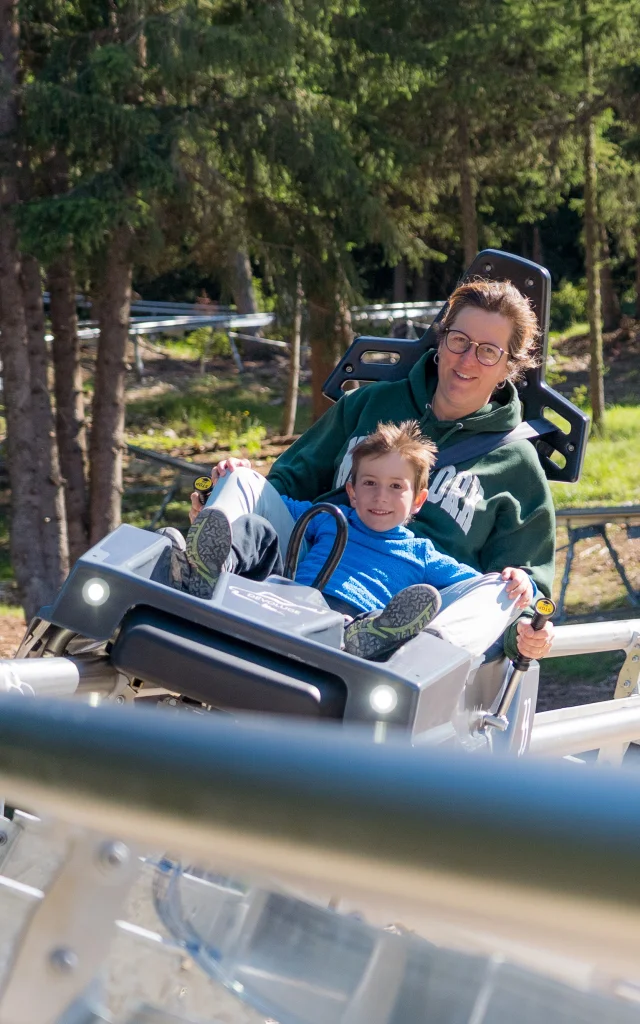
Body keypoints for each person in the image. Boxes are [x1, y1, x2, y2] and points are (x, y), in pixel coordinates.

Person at [181, 278, 555, 663]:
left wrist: (526, 628)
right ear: (441, 342)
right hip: (312, 558)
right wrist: (227, 496)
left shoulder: (517, 465)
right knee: (241, 479)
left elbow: (529, 583)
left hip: (411, 612)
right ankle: (201, 573)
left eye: (488, 351)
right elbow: (286, 483)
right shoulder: (368, 404)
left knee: (506, 588)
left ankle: (412, 658)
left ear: (509, 367)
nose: (467, 360)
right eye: (459, 340)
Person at [174, 421, 536, 661]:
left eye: (396, 487)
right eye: (369, 483)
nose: (380, 497)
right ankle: (205, 570)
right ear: (351, 490)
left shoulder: (421, 554)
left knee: (504, 588)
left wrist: (522, 585)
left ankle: (424, 655)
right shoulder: (327, 517)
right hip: (286, 600)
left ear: (419, 500)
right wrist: (230, 479)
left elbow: (475, 587)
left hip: (355, 628)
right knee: (244, 488)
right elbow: (261, 497)